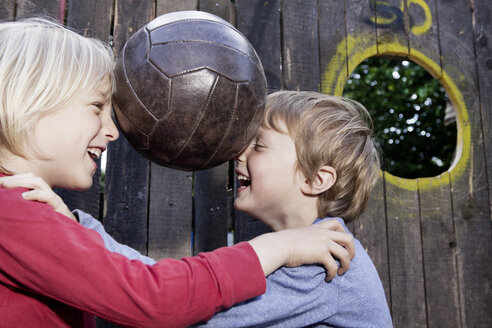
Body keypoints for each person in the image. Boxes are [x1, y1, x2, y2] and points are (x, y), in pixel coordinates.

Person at [0, 18, 356, 328]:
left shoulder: (17, 209)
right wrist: (274, 248)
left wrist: (71, 230)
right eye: (97, 106)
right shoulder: (11, 212)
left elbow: (137, 286)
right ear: (29, 103)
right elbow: (156, 299)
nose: (112, 130)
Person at [191, 91, 393, 326]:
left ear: (314, 179)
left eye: (258, 145)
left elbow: (193, 314)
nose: (239, 154)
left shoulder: (322, 263)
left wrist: (138, 272)